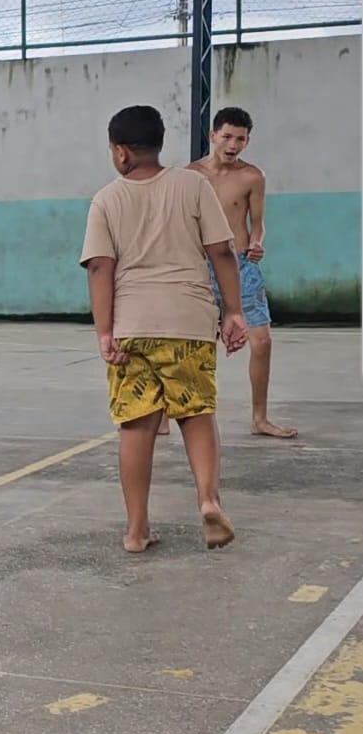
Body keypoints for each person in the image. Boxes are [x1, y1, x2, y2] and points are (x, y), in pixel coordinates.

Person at [81, 106, 248, 554]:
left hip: (132, 326)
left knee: (136, 426)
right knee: (196, 413)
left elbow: (99, 267)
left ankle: (136, 530)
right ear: (159, 145)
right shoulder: (194, 186)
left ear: (120, 152)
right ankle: (208, 500)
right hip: (189, 322)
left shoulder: (106, 199)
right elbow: (223, 252)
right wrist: (233, 311)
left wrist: (104, 332)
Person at [187, 106, 297, 439]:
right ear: (213, 136)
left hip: (241, 266)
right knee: (188, 343)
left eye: (241, 139)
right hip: (199, 267)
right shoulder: (190, 176)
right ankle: (168, 413)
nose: (233, 145)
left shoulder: (252, 176)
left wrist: (257, 242)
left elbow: (257, 224)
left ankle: (259, 418)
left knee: (261, 341)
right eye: (227, 137)